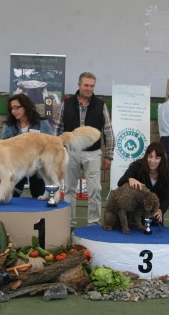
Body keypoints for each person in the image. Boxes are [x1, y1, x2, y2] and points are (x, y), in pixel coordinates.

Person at [56, 72, 115, 228]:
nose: (89, 88)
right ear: (79, 85)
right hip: (70, 152)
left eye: (92, 86)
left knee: (95, 189)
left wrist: (109, 155)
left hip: (93, 153)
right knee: (69, 189)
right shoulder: (66, 104)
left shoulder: (101, 105)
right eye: (86, 85)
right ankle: (69, 224)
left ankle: (93, 224)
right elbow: (57, 128)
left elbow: (108, 131)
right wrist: (57, 151)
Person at [2, 93, 54, 198]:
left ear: (25, 107)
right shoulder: (9, 126)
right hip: (16, 168)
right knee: (11, 197)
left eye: (16, 108)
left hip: (38, 168)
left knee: (39, 195)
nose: (13, 111)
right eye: (11, 109)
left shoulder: (42, 122)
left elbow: (51, 143)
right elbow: (3, 147)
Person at [117, 142, 169, 225]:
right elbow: (120, 182)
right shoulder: (136, 166)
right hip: (135, 212)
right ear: (146, 156)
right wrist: (129, 179)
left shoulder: (167, 175)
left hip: (154, 213)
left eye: (157, 158)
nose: (152, 161)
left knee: (157, 230)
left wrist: (161, 210)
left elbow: (167, 198)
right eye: (150, 156)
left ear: (162, 159)